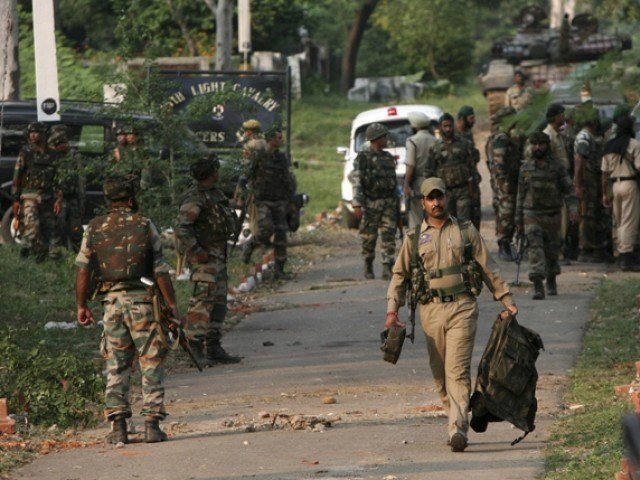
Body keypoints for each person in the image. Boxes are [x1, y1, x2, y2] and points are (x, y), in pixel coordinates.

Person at [385, 177, 518, 452]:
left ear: (446, 198)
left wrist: (506, 299)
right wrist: (391, 310)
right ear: (422, 203)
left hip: (463, 308)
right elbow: (399, 276)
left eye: (440, 197)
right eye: (430, 198)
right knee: (440, 374)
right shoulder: (413, 237)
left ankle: (457, 427)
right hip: (430, 311)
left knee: (457, 370)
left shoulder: (466, 231)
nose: (436, 203)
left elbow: (487, 267)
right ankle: (454, 415)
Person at [75, 174, 180, 444]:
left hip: (111, 305)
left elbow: (83, 270)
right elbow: (160, 269)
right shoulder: (145, 225)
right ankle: (152, 426)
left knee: (116, 364)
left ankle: (118, 427)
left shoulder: (95, 228)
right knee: (150, 361)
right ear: (131, 199)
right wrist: (171, 305)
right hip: (143, 303)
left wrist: (81, 304)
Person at [175, 155, 241, 366]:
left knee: (219, 301)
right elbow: (182, 227)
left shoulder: (214, 194)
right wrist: (196, 250)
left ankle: (214, 346)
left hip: (218, 256)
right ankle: (194, 346)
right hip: (204, 259)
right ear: (212, 173)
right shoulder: (195, 198)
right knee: (202, 302)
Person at [515, 132, 579, 299]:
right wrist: (518, 221)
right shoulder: (525, 168)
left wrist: (573, 210)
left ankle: (551, 280)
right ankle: (537, 286)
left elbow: (569, 191)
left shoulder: (557, 167)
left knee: (552, 250)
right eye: (534, 144)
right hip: (532, 214)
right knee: (535, 249)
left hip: (552, 215)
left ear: (547, 145)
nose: (537, 147)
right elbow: (520, 196)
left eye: (541, 144)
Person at [240, 127, 293, 278]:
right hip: (262, 199)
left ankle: (279, 270)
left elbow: (287, 178)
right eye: (278, 138)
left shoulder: (281, 157)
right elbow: (246, 175)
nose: (281, 140)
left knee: (281, 234)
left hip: (279, 200)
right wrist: (241, 195)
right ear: (270, 140)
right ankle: (250, 245)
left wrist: (290, 199)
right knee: (266, 229)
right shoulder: (259, 157)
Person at [351, 123, 398, 280]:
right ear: (376, 139)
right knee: (368, 237)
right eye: (384, 136)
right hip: (371, 203)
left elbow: (393, 183)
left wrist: (397, 204)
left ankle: (387, 266)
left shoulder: (388, 157)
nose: (387, 139)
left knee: (389, 235)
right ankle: (368, 263)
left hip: (389, 203)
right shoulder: (363, 159)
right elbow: (357, 181)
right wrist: (357, 204)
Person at [11, 122, 63, 261]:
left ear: (43, 134)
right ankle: (24, 254)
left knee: (49, 229)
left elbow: (58, 178)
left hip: (47, 196)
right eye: (31, 133)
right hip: (29, 196)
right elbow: (17, 176)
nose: (33, 135)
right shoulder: (25, 153)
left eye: (36, 132)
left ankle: (41, 258)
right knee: (32, 228)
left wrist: (58, 199)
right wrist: (15, 199)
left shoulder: (53, 154)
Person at [601, 115, 640, 271]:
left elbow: (604, 174)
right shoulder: (634, 144)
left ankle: (619, 253)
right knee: (628, 222)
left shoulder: (609, 145)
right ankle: (626, 257)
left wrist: (604, 194)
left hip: (614, 186)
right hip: (630, 184)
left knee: (618, 221)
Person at [426, 113, 475, 224]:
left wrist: (472, 189)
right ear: (440, 127)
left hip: (462, 190)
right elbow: (429, 171)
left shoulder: (464, 144)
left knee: (464, 222)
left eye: (450, 126)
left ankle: (464, 241)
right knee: (448, 222)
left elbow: (471, 167)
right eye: (445, 126)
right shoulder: (435, 147)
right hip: (445, 192)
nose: (448, 129)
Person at [574, 107, 608, 263]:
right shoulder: (584, 137)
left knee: (591, 216)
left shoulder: (588, 136)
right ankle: (585, 250)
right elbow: (579, 160)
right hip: (587, 183)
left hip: (591, 182)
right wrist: (578, 185)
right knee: (586, 215)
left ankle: (591, 248)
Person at [486, 107, 520, 261]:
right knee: (506, 213)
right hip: (504, 183)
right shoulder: (501, 138)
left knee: (503, 213)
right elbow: (499, 163)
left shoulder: (496, 136)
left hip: (501, 182)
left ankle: (506, 244)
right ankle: (503, 245)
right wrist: (503, 182)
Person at [49, 125, 85, 250]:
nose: (62, 145)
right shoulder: (51, 156)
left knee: (76, 230)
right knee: (57, 230)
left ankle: (77, 258)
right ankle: (55, 257)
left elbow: (81, 181)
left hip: (72, 198)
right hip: (57, 199)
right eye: (58, 142)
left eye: (63, 141)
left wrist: (81, 201)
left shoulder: (74, 156)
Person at [403, 112, 437, 228]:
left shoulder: (412, 141)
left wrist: (406, 184)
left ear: (415, 126)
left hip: (418, 184)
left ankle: (417, 245)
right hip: (434, 183)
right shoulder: (435, 141)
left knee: (416, 220)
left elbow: (410, 165)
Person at [456, 106, 482, 229]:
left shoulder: (468, 133)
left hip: (472, 179)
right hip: (460, 183)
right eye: (471, 118)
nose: (474, 120)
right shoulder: (454, 135)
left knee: (475, 214)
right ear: (462, 119)